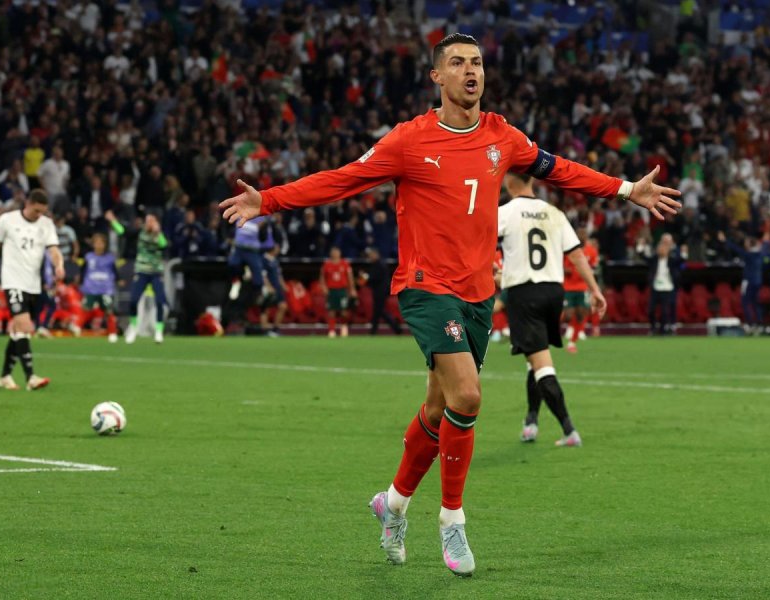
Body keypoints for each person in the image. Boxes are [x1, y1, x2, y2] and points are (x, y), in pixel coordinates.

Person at [220, 33, 680, 576]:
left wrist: (627, 190)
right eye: (458, 63)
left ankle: (391, 505)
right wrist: (268, 200)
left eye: (478, 63)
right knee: (469, 394)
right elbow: (341, 180)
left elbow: (562, 170)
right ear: (437, 77)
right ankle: (452, 521)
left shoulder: (502, 136)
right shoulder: (407, 140)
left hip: (478, 293)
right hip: (424, 286)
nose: (471, 71)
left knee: (440, 409)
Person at [497, 173, 606, 446]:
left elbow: (479, 242)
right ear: (532, 180)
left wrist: (495, 272)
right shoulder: (554, 213)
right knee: (534, 357)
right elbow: (577, 254)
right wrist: (595, 289)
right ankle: (531, 422)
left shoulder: (506, 212)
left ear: (509, 182)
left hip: (525, 293)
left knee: (541, 365)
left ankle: (569, 430)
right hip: (553, 292)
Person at [0, 189, 64, 390]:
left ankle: (5, 376)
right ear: (27, 203)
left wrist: (59, 265)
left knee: (17, 331)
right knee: (24, 327)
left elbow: (54, 250)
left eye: (42, 212)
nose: (38, 215)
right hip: (12, 280)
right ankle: (31, 377)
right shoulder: (7, 220)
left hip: (33, 284)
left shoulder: (46, 224)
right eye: (36, 211)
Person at [107, 211, 167, 344]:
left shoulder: (159, 235)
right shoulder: (139, 233)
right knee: (133, 300)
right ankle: (133, 327)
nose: (149, 223)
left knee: (159, 301)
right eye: (148, 221)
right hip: (141, 271)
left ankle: (158, 331)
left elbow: (164, 245)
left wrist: (158, 233)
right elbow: (122, 232)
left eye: (152, 221)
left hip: (156, 273)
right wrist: (113, 221)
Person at [562, 225, 600, 353]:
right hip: (568, 287)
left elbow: (595, 266)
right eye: (580, 234)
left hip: (583, 287)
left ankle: (572, 342)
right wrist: (571, 269)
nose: (582, 237)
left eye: (584, 234)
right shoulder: (569, 250)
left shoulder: (591, 251)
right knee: (567, 314)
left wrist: (588, 272)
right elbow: (563, 267)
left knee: (581, 313)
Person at [81, 232, 122, 342]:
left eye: (101, 243)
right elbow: (83, 271)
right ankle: (79, 329)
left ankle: (112, 332)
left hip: (106, 289)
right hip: (91, 288)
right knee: (86, 309)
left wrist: (119, 280)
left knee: (109, 310)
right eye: (97, 243)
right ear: (93, 244)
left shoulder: (110, 258)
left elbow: (115, 271)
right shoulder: (88, 257)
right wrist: (81, 282)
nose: (99, 245)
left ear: (105, 244)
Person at [720, 231, 764, 333]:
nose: (744, 244)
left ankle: (750, 324)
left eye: (746, 243)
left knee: (745, 302)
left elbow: (737, 249)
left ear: (749, 244)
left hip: (749, 281)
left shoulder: (749, 254)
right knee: (755, 303)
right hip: (758, 281)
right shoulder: (759, 254)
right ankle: (759, 323)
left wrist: (725, 241)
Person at [361, 246, 402, 335]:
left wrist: (365, 278)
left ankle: (396, 328)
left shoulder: (379, 265)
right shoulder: (378, 264)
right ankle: (375, 331)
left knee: (380, 311)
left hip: (380, 292)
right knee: (378, 311)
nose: (370, 257)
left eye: (371, 255)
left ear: (376, 254)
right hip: (379, 291)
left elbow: (374, 278)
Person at [647, 234, 682, 335]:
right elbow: (645, 257)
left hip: (667, 288)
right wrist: (640, 247)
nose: (662, 250)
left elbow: (681, 261)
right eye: (660, 247)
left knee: (665, 311)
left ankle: (664, 330)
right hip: (656, 288)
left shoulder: (672, 260)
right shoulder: (654, 260)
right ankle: (653, 327)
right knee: (651, 309)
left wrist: (681, 252)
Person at [227, 215, 267, 303]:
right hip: (239, 248)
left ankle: (258, 294)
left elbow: (264, 237)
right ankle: (236, 283)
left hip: (252, 250)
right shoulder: (239, 213)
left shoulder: (261, 217)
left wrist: (262, 228)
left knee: (258, 271)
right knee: (232, 264)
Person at [320, 246, 357, 338]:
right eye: (333, 252)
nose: (335, 254)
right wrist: (324, 288)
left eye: (337, 252)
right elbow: (322, 278)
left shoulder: (345, 264)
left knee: (344, 311)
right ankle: (332, 330)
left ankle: (344, 328)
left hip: (342, 290)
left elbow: (350, 277)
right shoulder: (326, 265)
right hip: (331, 291)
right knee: (331, 311)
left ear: (340, 253)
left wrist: (352, 289)